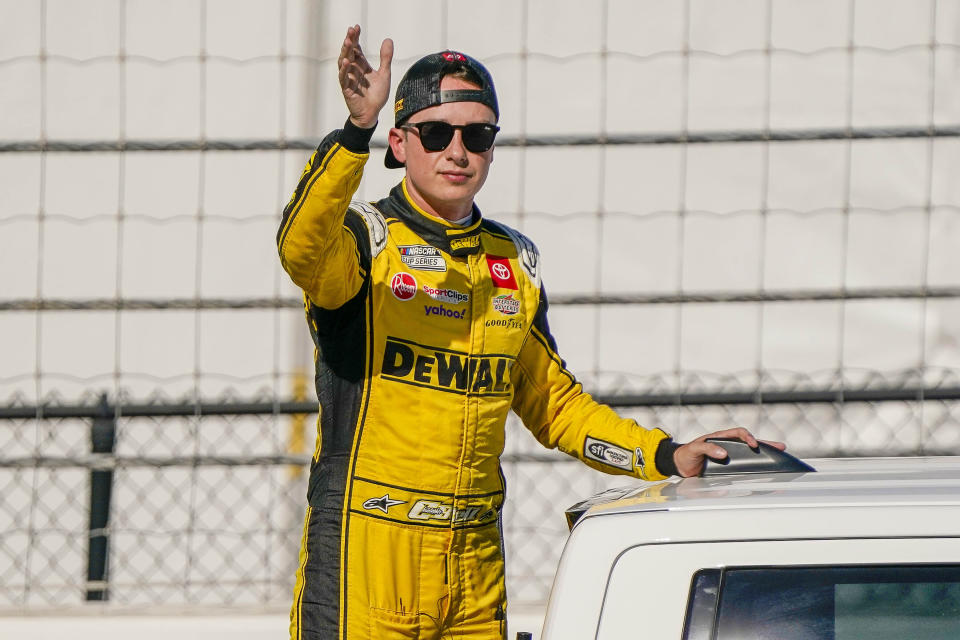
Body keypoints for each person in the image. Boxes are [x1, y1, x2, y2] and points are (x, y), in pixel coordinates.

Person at [277, 24, 785, 640]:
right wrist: (353, 133)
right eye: (437, 133)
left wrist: (663, 455)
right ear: (401, 143)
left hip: (474, 560)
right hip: (366, 548)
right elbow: (300, 249)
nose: (457, 152)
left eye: (478, 134)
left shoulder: (513, 262)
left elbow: (555, 407)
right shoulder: (365, 239)